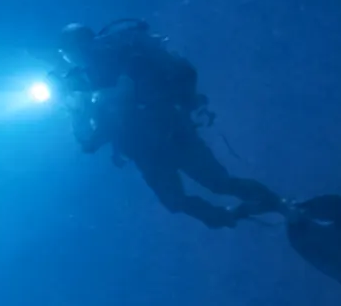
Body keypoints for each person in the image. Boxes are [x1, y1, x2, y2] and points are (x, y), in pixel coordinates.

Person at [54, 21, 284, 229]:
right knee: (201, 190)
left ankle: (266, 208)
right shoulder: (93, 78)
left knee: (199, 190)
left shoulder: (119, 58)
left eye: (66, 53)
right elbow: (96, 136)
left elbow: (118, 107)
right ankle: (255, 210)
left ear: (77, 47)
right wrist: (78, 112)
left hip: (164, 136)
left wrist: (85, 109)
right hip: (160, 140)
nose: (68, 59)